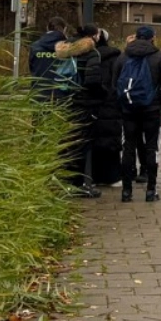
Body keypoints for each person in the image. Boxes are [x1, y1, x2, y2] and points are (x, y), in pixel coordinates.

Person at [111, 25, 161, 203]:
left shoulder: (123, 57)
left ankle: (126, 192)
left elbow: (114, 85)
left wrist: (121, 107)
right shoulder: (160, 57)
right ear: (152, 38)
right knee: (152, 148)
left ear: (137, 37)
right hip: (151, 111)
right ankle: (150, 190)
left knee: (128, 147)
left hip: (129, 110)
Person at [53, 23, 103, 196]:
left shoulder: (64, 50)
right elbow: (93, 81)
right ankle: (78, 184)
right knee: (81, 144)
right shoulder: (91, 53)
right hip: (83, 102)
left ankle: (62, 181)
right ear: (92, 36)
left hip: (62, 100)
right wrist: (100, 96)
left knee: (65, 141)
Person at [90, 29, 124, 186]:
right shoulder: (116, 58)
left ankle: (95, 176)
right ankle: (113, 176)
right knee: (112, 140)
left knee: (96, 140)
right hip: (112, 105)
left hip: (95, 104)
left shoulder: (90, 56)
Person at [28, 15, 68, 101]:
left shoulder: (35, 46)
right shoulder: (68, 47)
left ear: (47, 28)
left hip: (39, 92)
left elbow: (32, 67)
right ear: (65, 30)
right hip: (61, 94)